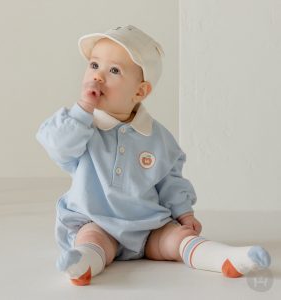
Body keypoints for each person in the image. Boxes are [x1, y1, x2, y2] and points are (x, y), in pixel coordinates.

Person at [36, 25, 271, 286]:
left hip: (147, 226)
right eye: (94, 65)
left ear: (140, 92)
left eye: (114, 70)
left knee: (177, 238)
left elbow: (170, 180)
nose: (98, 77)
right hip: (97, 220)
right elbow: (58, 146)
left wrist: (184, 213)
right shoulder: (81, 126)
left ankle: (223, 258)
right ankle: (81, 263)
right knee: (91, 239)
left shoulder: (158, 137)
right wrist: (82, 110)